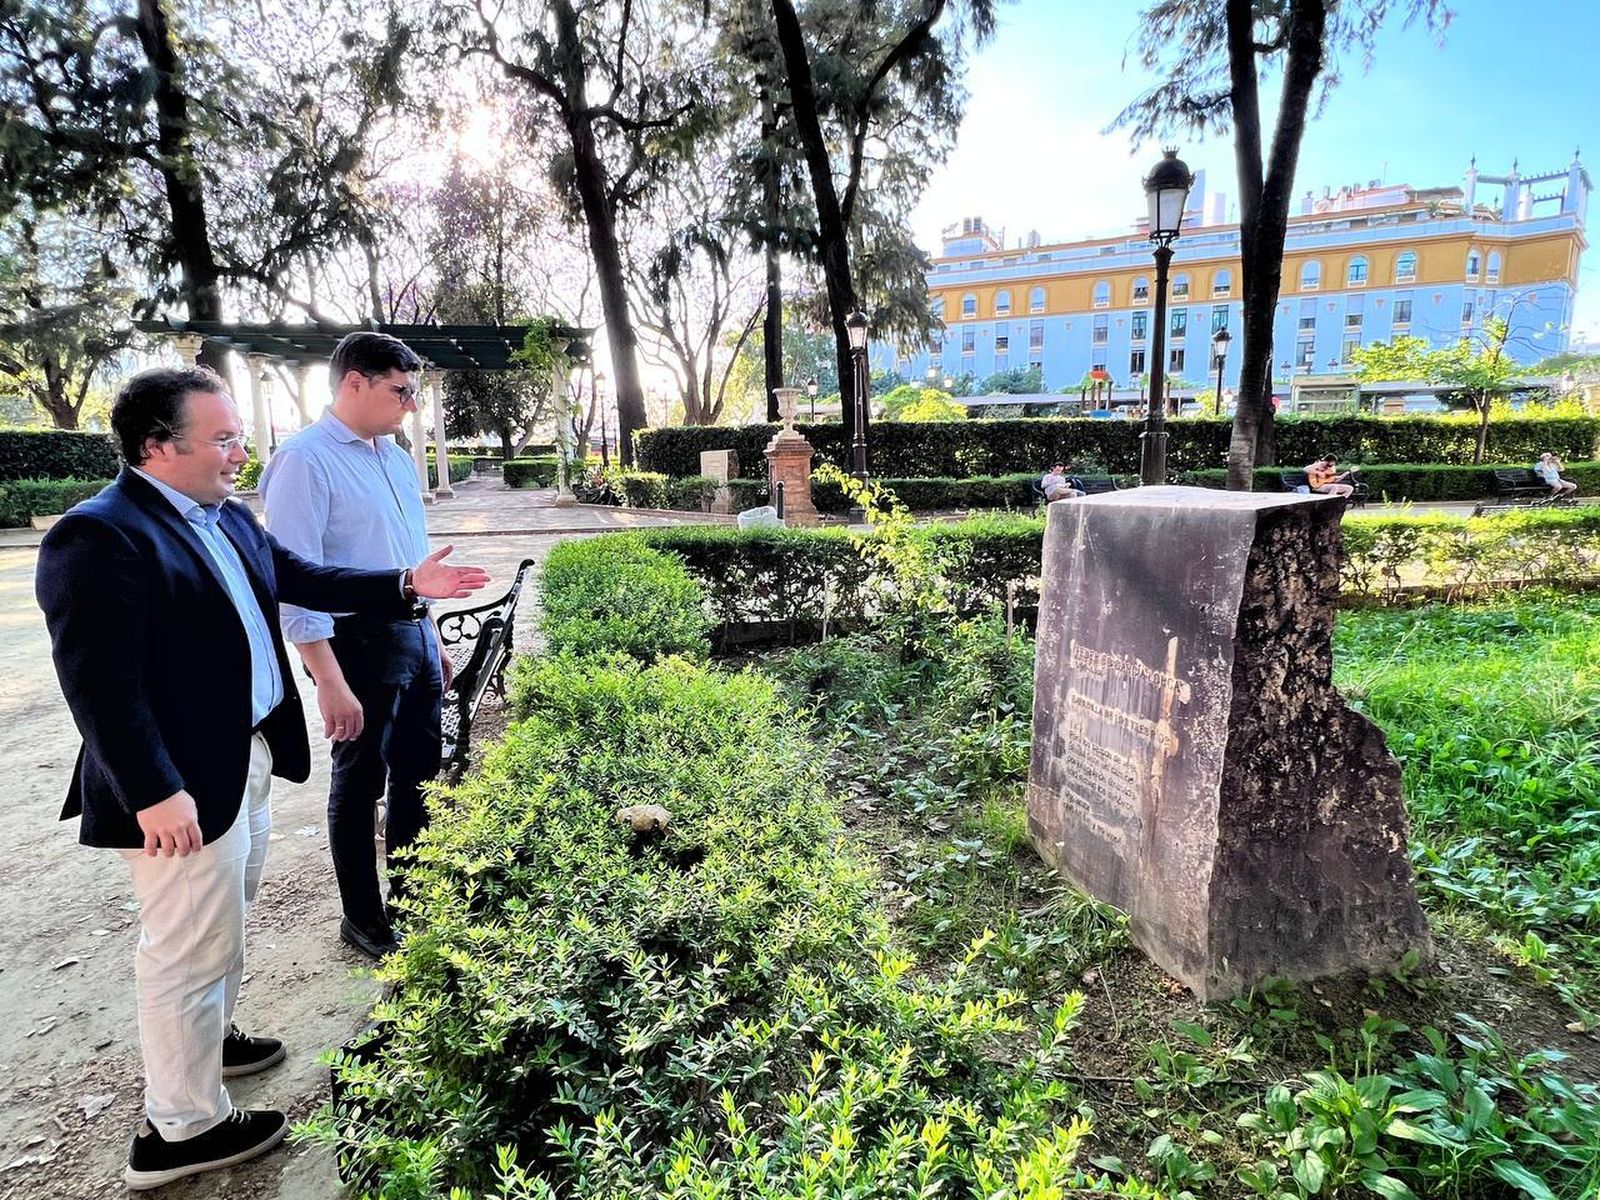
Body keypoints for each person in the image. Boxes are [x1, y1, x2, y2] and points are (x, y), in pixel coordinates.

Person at [34, 367, 489, 1190]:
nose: (241, 453)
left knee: (225, 920)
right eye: (224, 439)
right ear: (158, 447)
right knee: (183, 947)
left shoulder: (226, 516)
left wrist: (403, 585)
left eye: (239, 436)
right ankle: (181, 1128)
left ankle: (214, 1037)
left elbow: (303, 577)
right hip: (175, 784)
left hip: (239, 756)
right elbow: (99, 685)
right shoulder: (98, 536)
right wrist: (153, 791)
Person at [259, 332, 453, 960]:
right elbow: (294, 579)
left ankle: (414, 898)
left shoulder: (395, 456)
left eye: (414, 391)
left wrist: (430, 633)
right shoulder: (304, 460)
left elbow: (408, 557)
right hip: (353, 646)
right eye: (400, 390)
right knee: (359, 780)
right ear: (354, 383)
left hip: (412, 633)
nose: (410, 404)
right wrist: (328, 678)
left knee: (419, 776)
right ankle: (362, 917)